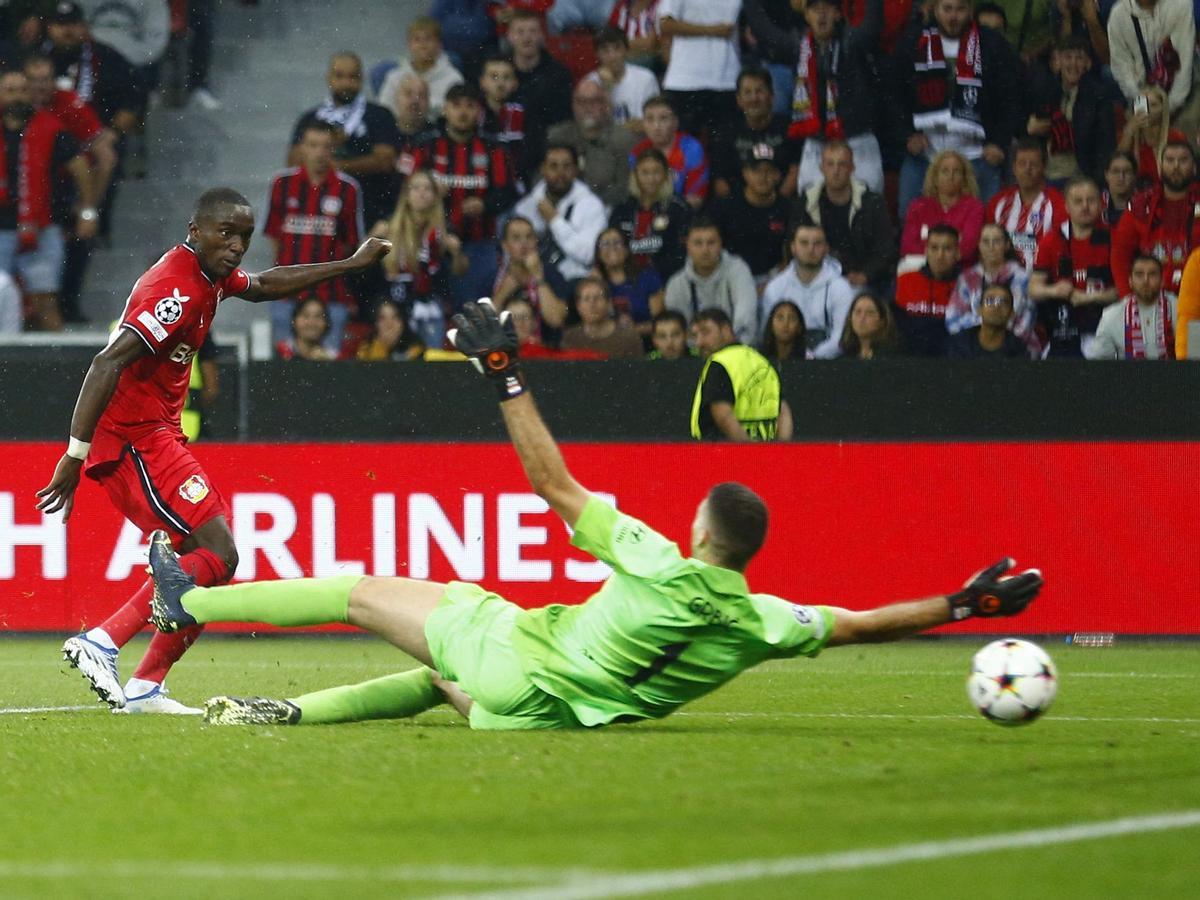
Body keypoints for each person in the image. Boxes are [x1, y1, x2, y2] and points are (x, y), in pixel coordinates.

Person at [142, 299, 1044, 730]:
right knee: (436, 672)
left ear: (700, 533)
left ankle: (191, 605)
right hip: (546, 711)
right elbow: (859, 626)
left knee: (360, 592)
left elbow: (554, 483)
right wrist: (960, 607)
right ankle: (290, 717)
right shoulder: (763, 621)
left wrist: (504, 372)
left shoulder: (655, 558)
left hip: (523, 660)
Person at [41, 188, 390, 713]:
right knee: (219, 552)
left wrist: (350, 263)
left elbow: (267, 284)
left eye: (245, 237)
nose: (236, 246)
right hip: (135, 438)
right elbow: (106, 363)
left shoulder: (210, 274)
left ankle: (144, 685)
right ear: (195, 230)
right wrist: (74, 454)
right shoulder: (175, 291)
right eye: (226, 233)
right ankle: (103, 642)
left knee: (209, 561)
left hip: (157, 433)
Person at [894, 0, 1021, 215]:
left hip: (977, 154)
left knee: (987, 222)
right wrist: (907, 135)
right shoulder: (913, 41)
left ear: (971, 10)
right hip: (926, 153)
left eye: (960, 9)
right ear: (935, 9)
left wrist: (999, 142)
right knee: (908, 218)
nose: (953, 17)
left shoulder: (991, 44)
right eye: (947, 9)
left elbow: (1009, 98)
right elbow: (894, 95)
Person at [0, 68, 98, 332]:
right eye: (10, 91)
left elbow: (81, 169)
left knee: (45, 300)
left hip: (42, 227)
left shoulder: (51, 129)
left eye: (22, 90)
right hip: (0, 229)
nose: (17, 97)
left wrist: (88, 211)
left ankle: (56, 366)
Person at [413, 82, 519, 306]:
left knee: (472, 307)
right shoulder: (426, 147)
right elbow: (405, 191)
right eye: (456, 105)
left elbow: (508, 193)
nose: (462, 112)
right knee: (428, 304)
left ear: (479, 111)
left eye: (470, 106)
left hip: (478, 243)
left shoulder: (494, 149)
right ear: (445, 109)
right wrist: (432, 195)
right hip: (428, 239)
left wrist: (485, 205)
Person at [264, 121, 364, 353]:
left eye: (325, 146)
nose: (319, 152)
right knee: (284, 368)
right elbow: (273, 236)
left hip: (332, 295)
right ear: (301, 148)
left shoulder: (348, 188)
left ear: (333, 150)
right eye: (313, 145)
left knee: (328, 371)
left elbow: (351, 244)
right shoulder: (281, 184)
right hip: (286, 294)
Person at [289, 53, 400, 230]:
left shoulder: (380, 115)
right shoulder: (309, 118)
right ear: (328, 78)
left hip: (371, 210)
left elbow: (386, 161)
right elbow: (294, 162)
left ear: (362, 79)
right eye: (339, 76)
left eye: (353, 77)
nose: (346, 83)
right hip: (320, 216)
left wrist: (339, 166)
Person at [789, 0, 885, 195]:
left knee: (868, 203)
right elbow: (765, 32)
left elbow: (873, 24)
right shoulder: (799, 46)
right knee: (808, 206)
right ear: (806, 15)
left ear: (838, 14)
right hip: (817, 143)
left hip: (857, 140)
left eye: (827, 8)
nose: (821, 14)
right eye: (815, 9)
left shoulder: (853, 42)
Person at [372, 169, 467, 349]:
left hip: (429, 306)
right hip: (394, 305)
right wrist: (371, 237)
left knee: (431, 363)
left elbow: (460, 271)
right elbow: (360, 264)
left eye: (427, 189)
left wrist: (457, 253)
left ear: (434, 196)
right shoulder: (388, 225)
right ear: (406, 195)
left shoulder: (444, 229)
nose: (421, 193)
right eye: (416, 188)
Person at [791, 140, 896, 292]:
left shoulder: (872, 202)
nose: (836, 171)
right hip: (815, 278)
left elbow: (885, 250)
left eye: (842, 164)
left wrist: (865, 275)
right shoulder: (806, 202)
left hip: (861, 281)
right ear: (821, 168)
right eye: (830, 164)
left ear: (852, 168)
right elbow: (794, 244)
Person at [1030, 176, 1116, 356]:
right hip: (1063, 330)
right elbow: (1033, 289)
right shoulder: (1051, 240)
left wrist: (1088, 298)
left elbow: (1124, 291)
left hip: (1106, 328)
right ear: (1067, 207)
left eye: (1091, 200)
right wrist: (1053, 291)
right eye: (1078, 201)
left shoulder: (1114, 238)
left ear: (1101, 204)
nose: (1085, 206)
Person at [1111, 138, 1200, 294]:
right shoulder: (1140, 205)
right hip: (1150, 297)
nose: (1176, 166)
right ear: (1160, 166)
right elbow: (1120, 256)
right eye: (1170, 160)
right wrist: (1129, 298)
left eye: (1183, 160)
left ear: (1194, 167)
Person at [690, 307, 793, 441]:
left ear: (726, 330)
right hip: (766, 453)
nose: (699, 342)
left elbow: (723, 414)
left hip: (722, 454)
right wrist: (781, 450)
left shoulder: (720, 363)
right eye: (695, 335)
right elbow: (784, 411)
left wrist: (746, 452)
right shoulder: (762, 361)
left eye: (705, 332)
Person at [1025, 35, 1116, 184]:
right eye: (1068, 57)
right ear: (1058, 61)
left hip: (1081, 176)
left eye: (1079, 58)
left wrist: (1054, 127)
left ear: (1088, 63)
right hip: (1047, 175)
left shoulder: (1099, 96)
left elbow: (1105, 145)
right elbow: (1031, 128)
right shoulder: (1045, 90)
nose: (1073, 64)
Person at [512, 143, 607, 283]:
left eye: (566, 166)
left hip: (577, 281)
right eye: (553, 166)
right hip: (534, 280)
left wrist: (554, 220)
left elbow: (589, 254)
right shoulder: (525, 207)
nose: (560, 173)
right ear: (542, 169)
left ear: (576, 170)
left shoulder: (591, 205)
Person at [760, 223, 856, 360]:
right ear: (793, 247)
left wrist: (813, 357)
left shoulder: (841, 288)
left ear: (826, 248)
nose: (811, 249)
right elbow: (769, 334)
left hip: (829, 364)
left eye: (817, 243)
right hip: (784, 362)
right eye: (804, 243)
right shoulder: (775, 287)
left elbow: (842, 336)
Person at [663, 217, 760, 345]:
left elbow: (746, 322)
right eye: (698, 243)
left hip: (734, 350)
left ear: (721, 244)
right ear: (687, 245)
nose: (705, 250)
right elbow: (678, 334)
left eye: (711, 242)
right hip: (695, 355)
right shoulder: (676, 285)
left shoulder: (738, 270)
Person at [949, 222, 1039, 357]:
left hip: (1015, 347)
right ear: (979, 245)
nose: (991, 247)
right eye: (985, 241)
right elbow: (953, 319)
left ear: (1007, 245)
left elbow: (1028, 319)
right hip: (972, 347)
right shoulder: (967, 278)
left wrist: (999, 335)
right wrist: (987, 327)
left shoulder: (1023, 278)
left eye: (996, 241)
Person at [546, 78, 637, 210]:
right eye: (581, 102)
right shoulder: (557, 136)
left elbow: (624, 187)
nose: (588, 108)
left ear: (606, 105)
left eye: (594, 101)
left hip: (607, 209)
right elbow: (541, 178)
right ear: (573, 105)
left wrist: (588, 206)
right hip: (559, 207)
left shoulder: (624, 139)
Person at [657, 0, 741, 143]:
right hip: (685, 79)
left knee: (724, 149)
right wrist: (712, 30)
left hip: (727, 77)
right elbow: (665, 23)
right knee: (685, 150)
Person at [711, 68, 798, 201]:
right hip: (739, 207)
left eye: (759, 91)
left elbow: (795, 172)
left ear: (771, 96)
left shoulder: (789, 128)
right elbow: (721, 182)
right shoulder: (726, 132)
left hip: (780, 204)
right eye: (747, 92)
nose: (754, 98)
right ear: (739, 100)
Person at [508, 9, 573, 181]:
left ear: (542, 36)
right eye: (520, 31)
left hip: (543, 153)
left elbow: (562, 123)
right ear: (510, 36)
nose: (526, 37)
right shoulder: (499, 71)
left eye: (532, 31)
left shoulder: (559, 74)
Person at [984, 138, 1068, 271]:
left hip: (1042, 280)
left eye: (1033, 164)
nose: (1028, 169)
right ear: (1014, 168)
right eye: (1022, 164)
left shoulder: (1058, 203)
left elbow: (1062, 247)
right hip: (1001, 280)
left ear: (1044, 167)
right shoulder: (998, 202)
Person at [610, 147, 692, 280]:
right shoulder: (623, 209)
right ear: (635, 174)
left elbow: (684, 252)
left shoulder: (678, 208)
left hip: (667, 279)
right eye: (645, 172)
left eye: (656, 172)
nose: (651, 179)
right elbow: (611, 246)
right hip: (627, 280)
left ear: (666, 174)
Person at [713, 149, 791, 286]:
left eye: (768, 170)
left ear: (777, 175)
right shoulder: (726, 207)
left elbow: (790, 254)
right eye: (756, 170)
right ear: (745, 173)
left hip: (775, 280)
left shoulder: (787, 208)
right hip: (731, 278)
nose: (763, 176)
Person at [1107, 0, 1194, 122]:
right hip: (1140, 95)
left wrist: (1168, 110)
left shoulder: (1180, 5)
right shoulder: (1118, 15)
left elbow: (1184, 64)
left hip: (1181, 97)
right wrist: (1143, 106)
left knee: (1182, 134)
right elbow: (1122, 68)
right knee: (1132, 134)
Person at [900, 149, 986, 267]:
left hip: (960, 269)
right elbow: (908, 246)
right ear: (935, 178)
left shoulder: (974, 207)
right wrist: (943, 255)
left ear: (964, 179)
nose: (950, 176)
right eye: (945, 171)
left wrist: (932, 250)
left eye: (956, 171)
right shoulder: (918, 207)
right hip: (922, 267)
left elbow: (968, 248)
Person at [491, 214, 569, 340]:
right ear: (505, 245)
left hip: (545, 352)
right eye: (516, 238)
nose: (524, 243)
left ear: (536, 241)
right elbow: (485, 327)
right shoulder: (494, 275)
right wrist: (502, 293)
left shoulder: (551, 273)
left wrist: (539, 278)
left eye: (529, 237)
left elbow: (556, 320)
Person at [1089, 252, 1178, 357]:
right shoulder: (1111, 316)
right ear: (1130, 281)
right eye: (1139, 275)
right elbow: (1098, 363)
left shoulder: (1181, 308)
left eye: (1152, 274)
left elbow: (1195, 356)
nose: (1146, 281)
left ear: (1162, 280)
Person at [894, 223, 962, 356]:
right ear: (926, 251)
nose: (940, 255)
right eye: (934, 248)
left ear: (958, 253)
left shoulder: (968, 285)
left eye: (947, 249)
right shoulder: (905, 280)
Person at [630, 96, 708, 209]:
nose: (656, 127)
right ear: (643, 124)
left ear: (675, 123)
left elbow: (696, 198)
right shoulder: (637, 152)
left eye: (663, 119)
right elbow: (636, 196)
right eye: (650, 119)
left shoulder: (691, 149)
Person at [379, 16, 465, 118]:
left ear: (439, 45)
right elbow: (384, 110)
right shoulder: (394, 76)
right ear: (409, 44)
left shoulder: (454, 79)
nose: (422, 45)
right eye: (417, 39)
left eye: (428, 39)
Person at [593, 226, 663, 337]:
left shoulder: (648, 276)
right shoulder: (594, 283)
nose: (612, 248)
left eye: (617, 242)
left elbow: (660, 323)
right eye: (605, 244)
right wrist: (597, 285)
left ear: (626, 250)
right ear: (598, 253)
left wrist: (632, 331)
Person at [586, 27, 660, 132]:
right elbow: (592, 127)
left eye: (617, 48)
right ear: (597, 54)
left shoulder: (646, 78)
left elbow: (650, 123)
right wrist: (606, 90)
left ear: (626, 51)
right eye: (605, 50)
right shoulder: (590, 83)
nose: (612, 56)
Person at [1116, 86, 1185, 187]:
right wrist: (1129, 130)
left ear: (1163, 109)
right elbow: (1118, 164)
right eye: (1144, 105)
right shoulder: (1129, 138)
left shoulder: (1176, 137)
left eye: (1153, 105)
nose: (1147, 110)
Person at [560, 276, 645, 358]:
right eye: (586, 299)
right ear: (578, 306)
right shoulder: (569, 339)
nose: (592, 304)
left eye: (597, 298)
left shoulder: (629, 338)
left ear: (608, 303)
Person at [946, 282, 1031, 357]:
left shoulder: (1019, 351)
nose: (996, 306)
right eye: (989, 301)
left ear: (1012, 313)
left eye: (1003, 302)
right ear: (979, 309)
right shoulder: (960, 344)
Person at [477, 55, 526, 178]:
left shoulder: (524, 114)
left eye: (506, 77)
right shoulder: (474, 113)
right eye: (494, 76)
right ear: (482, 82)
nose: (500, 83)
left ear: (515, 83)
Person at [355, 298, 427, 361]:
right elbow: (370, 372)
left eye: (394, 317)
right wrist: (382, 346)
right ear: (376, 323)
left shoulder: (415, 346)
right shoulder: (367, 347)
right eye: (383, 318)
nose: (389, 324)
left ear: (401, 322)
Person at [838, 291, 902, 358]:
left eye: (870, 313)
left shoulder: (893, 357)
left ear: (882, 321)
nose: (862, 318)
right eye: (858, 312)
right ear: (850, 318)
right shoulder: (845, 358)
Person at [276, 297, 339, 361]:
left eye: (318, 316)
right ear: (294, 321)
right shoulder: (277, 352)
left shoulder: (333, 357)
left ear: (326, 323)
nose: (311, 323)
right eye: (305, 315)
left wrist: (328, 364)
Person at [609, 0, 661, 66]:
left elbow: (650, 44)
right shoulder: (621, 7)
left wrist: (621, 44)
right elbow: (610, 41)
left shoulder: (659, 6)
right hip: (624, 58)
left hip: (650, 61)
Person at [760, 299, 808, 367]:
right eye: (780, 318)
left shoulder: (808, 358)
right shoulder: (758, 358)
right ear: (771, 325)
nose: (785, 324)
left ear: (799, 327)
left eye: (792, 318)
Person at [1101, 149, 1137, 227]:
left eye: (1127, 171)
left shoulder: (1145, 204)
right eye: (1115, 171)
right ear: (1106, 175)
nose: (1121, 177)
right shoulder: (1096, 204)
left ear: (1134, 176)